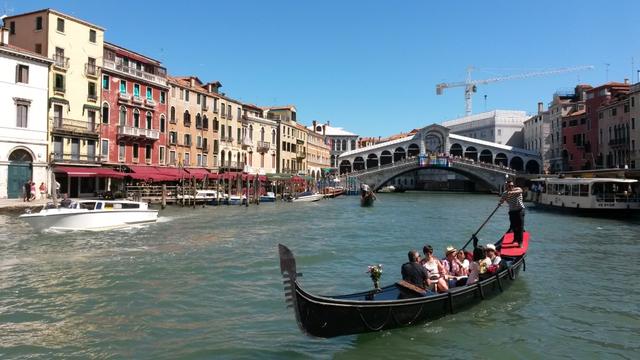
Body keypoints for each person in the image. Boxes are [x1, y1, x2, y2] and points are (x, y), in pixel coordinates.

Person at [500, 180, 525, 247]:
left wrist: (511, 192)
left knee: (520, 226)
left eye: (512, 185)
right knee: (513, 226)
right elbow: (501, 200)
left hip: (520, 210)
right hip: (512, 211)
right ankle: (515, 239)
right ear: (506, 186)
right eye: (509, 186)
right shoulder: (505, 193)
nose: (511, 187)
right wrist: (500, 202)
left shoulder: (518, 189)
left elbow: (520, 191)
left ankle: (520, 242)